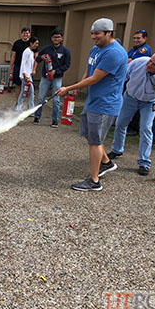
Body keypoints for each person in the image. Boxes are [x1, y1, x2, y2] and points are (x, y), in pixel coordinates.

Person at [56, 18, 128, 191]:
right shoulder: (96, 49)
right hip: (93, 101)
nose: (93, 37)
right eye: (92, 34)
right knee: (89, 134)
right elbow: (89, 72)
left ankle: (94, 181)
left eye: (97, 34)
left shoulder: (114, 53)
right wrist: (76, 88)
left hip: (105, 103)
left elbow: (96, 78)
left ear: (108, 33)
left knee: (95, 141)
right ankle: (106, 162)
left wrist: (68, 88)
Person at [107, 52, 155, 176]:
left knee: (146, 128)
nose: (149, 64)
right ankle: (117, 149)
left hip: (149, 102)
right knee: (120, 123)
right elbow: (122, 78)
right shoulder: (138, 62)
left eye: (154, 64)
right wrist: (115, 95)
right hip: (130, 97)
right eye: (150, 60)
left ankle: (144, 162)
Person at [33, 29, 71, 127]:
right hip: (45, 77)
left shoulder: (65, 51)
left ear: (61, 38)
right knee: (40, 98)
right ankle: (37, 117)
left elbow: (67, 65)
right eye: (54, 37)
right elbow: (37, 59)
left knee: (56, 100)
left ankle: (55, 120)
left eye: (58, 37)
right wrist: (41, 58)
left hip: (57, 78)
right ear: (51, 38)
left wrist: (56, 71)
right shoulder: (46, 49)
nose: (56, 39)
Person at [126, 30, 152, 136]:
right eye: (135, 38)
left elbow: (131, 61)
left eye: (138, 38)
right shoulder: (133, 50)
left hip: (140, 81)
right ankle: (128, 124)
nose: (136, 40)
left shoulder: (144, 49)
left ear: (144, 39)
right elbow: (126, 59)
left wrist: (129, 60)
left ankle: (134, 128)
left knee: (137, 105)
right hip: (131, 79)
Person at [15, 36, 39, 112]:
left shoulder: (31, 52)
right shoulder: (27, 51)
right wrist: (24, 75)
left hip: (28, 75)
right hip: (25, 76)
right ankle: (29, 109)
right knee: (30, 92)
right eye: (35, 43)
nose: (37, 45)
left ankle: (19, 108)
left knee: (24, 92)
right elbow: (23, 64)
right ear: (31, 43)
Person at [9, 27, 31, 101]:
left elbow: (36, 56)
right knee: (18, 85)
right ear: (21, 34)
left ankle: (26, 103)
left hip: (28, 69)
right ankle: (18, 102)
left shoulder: (31, 43)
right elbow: (13, 56)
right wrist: (11, 67)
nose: (26, 34)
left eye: (27, 33)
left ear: (29, 34)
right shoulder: (17, 43)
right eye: (24, 33)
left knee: (27, 85)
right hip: (18, 67)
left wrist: (33, 69)